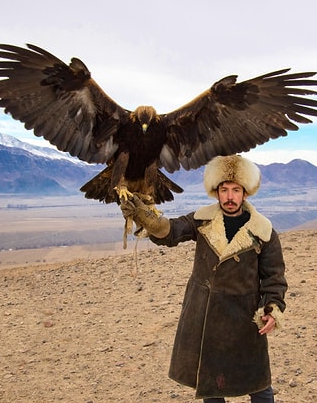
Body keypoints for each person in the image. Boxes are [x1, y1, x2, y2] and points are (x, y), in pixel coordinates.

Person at [120, 154, 288, 403]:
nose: (229, 197)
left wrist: (272, 309)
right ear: (216, 191)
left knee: (259, 384)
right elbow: (171, 232)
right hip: (206, 316)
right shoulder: (201, 220)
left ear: (245, 193)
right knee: (210, 385)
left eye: (235, 190)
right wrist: (147, 218)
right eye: (224, 190)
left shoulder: (264, 231)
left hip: (244, 318)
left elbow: (274, 277)